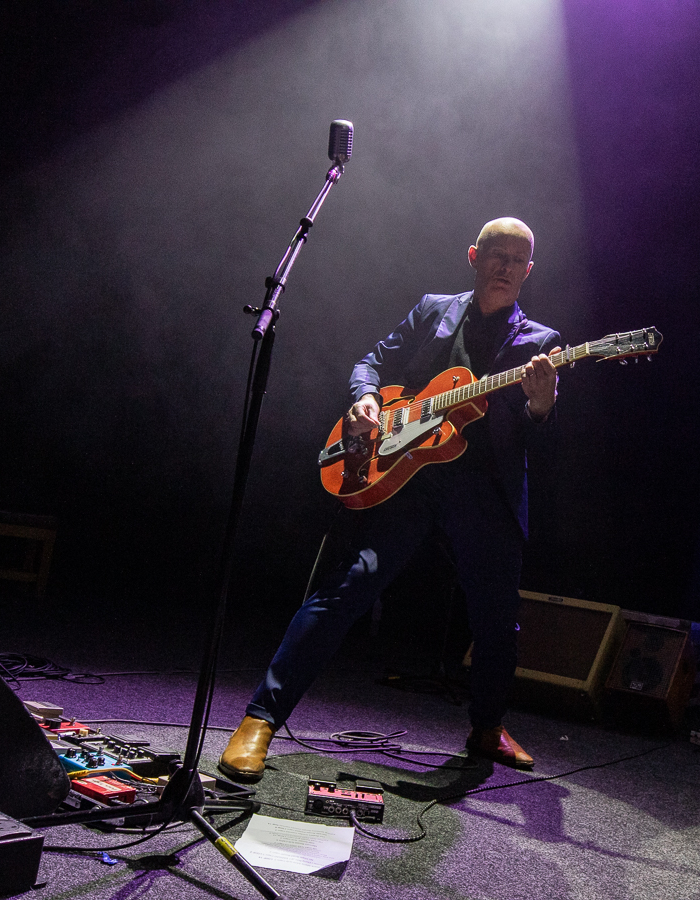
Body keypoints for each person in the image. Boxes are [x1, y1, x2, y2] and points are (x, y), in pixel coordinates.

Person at [218, 217, 560, 780]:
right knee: (343, 589)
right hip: (407, 477)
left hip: (483, 492)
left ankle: (486, 727)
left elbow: (530, 424)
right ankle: (259, 720)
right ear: (473, 256)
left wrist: (543, 403)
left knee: (497, 621)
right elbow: (370, 362)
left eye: (516, 258)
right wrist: (365, 400)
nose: (504, 265)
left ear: (529, 270)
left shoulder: (539, 344)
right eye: (495, 253)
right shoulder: (433, 309)